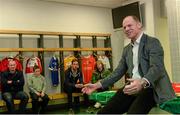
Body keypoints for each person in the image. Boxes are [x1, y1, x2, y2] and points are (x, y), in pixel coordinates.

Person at [82, 15, 176, 114]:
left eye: (129, 25)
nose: (126, 29)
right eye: (124, 27)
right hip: (132, 87)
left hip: (150, 88)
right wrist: (97, 85)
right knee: (103, 113)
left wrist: (142, 82)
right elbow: (118, 72)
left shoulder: (152, 42)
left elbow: (157, 67)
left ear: (139, 25)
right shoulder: (127, 49)